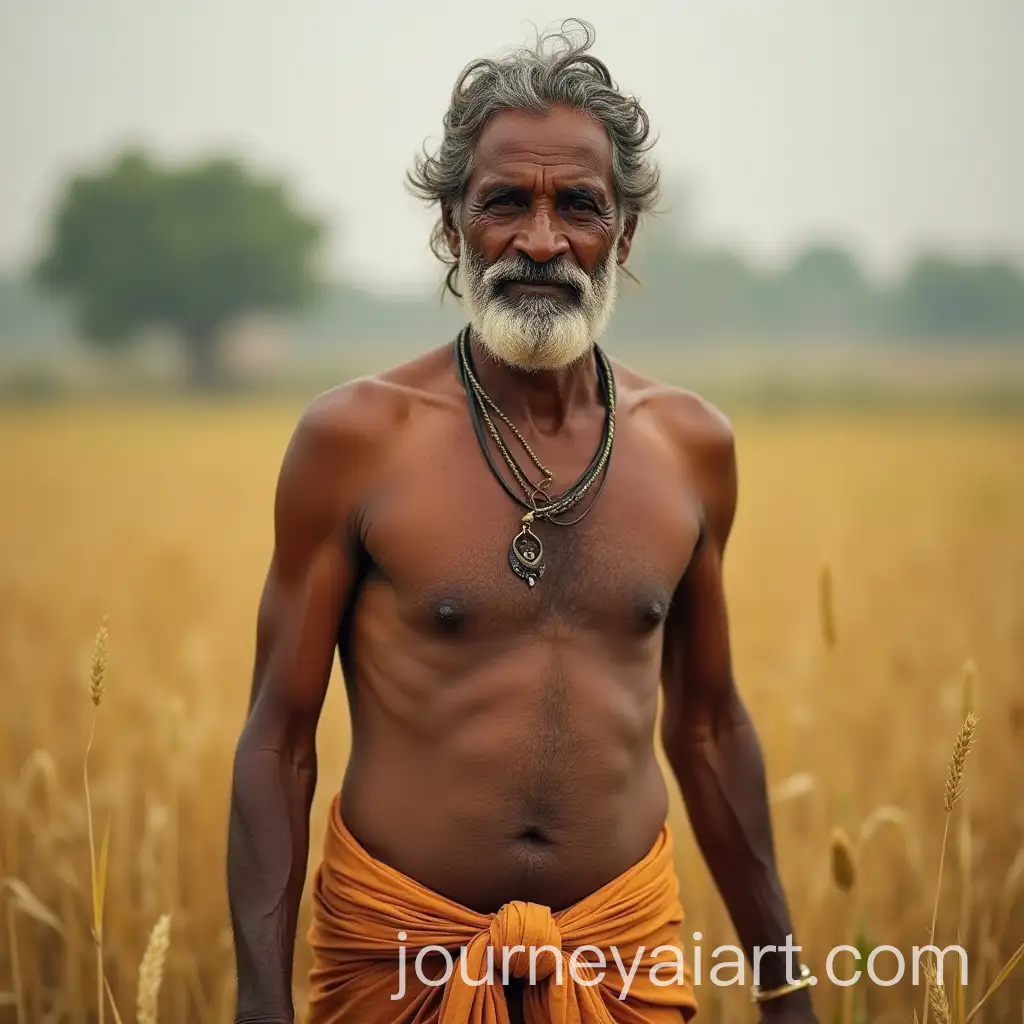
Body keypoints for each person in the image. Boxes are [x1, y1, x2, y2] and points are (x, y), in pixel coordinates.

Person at [227, 19, 819, 1024]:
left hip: (619, 962)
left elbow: (710, 727)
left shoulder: (690, 447)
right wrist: (258, 1002)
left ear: (622, 235)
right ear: (452, 225)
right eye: (505, 204)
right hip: (400, 963)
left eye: (578, 207)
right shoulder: (355, 439)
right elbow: (279, 739)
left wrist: (786, 987)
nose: (540, 242)